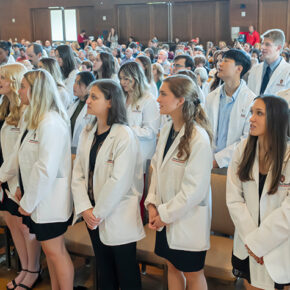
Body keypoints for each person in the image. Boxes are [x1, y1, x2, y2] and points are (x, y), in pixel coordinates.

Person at [0, 69, 74, 289]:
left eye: (23, 86)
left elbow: (45, 169)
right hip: (38, 196)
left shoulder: (51, 123)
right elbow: (18, 155)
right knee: (50, 253)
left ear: (36, 91)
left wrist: (28, 202)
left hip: (51, 200)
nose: (19, 91)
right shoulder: (32, 117)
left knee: (56, 251)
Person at [71, 79, 145, 290]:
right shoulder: (88, 131)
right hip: (92, 213)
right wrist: (85, 208)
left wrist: (97, 213)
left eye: (94, 97)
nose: (88, 101)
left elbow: (119, 181)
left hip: (116, 213)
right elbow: (78, 173)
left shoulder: (124, 135)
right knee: (104, 269)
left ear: (110, 102)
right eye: (89, 96)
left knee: (126, 271)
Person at [145, 74, 213, 290]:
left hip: (186, 219)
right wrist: (152, 204)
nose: (158, 99)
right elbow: (156, 169)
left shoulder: (198, 138)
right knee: (172, 267)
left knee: (193, 274)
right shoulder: (166, 130)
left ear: (181, 100)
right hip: (164, 216)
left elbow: (194, 190)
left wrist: (164, 214)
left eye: (163, 94)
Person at [226, 95, 290, 290]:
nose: (251, 118)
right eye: (252, 112)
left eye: (259, 113)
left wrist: (260, 243)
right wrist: (253, 243)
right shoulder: (243, 149)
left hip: (277, 247)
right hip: (247, 245)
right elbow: (234, 199)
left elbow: (288, 212)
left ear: (276, 118)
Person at [0, 63, 42, 290]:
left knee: (25, 227)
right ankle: (24, 268)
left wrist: (11, 179)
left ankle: (34, 269)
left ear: (15, 82)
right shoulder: (4, 104)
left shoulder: (25, 110)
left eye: (3, 77)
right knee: (12, 224)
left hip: (16, 176)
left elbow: (21, 153)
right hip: (5, 176)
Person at [205, 49, 255, 168]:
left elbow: (247, 139)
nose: (219, 64)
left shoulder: (251, 100)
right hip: (207, 160)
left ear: (239, 69)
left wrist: (219, 161)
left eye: (225, 61)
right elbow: (205, 129)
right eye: (220, 61)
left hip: (236, 164)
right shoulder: (211, 97)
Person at [118, 61, 160, 171]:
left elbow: (151, 132)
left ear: (136, 77)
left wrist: (126, 129)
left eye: (126, 79)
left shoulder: (148, 100)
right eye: (121, 78)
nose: (122, 82)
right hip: (122, 151)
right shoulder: (122, 97)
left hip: (140, 155)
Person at [248, 29, 290, 95]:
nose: (262, 47)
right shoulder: (255, 69)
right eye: (262, 43)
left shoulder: (288, 72)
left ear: (278, 48)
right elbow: (249, 96)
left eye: (267, 44)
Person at [69, 71, 95, 150]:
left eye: (79, 83)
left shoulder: (92, 107)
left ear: (88, 87)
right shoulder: (73, 104)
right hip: (69, 149)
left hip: (83, 149)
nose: (74, 86)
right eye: (75, 82)